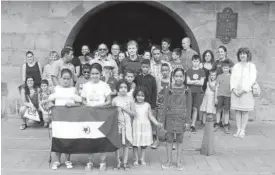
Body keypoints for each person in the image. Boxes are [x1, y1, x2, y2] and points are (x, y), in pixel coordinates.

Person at [44, 68, 82, 170]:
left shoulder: (74, 90)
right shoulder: (56, 89)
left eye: (68, 78)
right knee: (57, 139)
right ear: (60, 78)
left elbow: (80, 103)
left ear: (71, 79)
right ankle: (57, 160)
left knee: (68, 139)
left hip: (69, 119)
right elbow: (48, 101)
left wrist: (72, 104)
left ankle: (68, 160)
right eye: (64, 78)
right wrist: (50, 104)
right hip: (58, 119)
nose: (66, 81)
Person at [81, 63, 112, 171]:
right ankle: (90, 161)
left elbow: (109, 100)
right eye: (92, 73)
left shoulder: (104, 85)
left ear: (101, 73)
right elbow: (83, 99)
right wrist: (87, 105)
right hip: (89, 115)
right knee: (90, 138)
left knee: (101, 139)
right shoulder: (86, 85)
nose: (94, 76)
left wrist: (100, 105)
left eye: (97, 73)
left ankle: (102, 161)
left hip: (101, 115)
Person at [161, 68, 192, 171]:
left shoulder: (187, 90)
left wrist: (188, 121)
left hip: (181, 118)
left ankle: (178, 161)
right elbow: (164, 105)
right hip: (170, 117)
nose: (179, 78)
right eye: (176, 76)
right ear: (173, 77)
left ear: (184, 77)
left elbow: (189, 106)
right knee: (169, 140)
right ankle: (169, 161)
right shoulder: (169, 89)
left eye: (181, 76)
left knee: (179, 141)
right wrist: (162, 121)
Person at [231, 48, 257, 139]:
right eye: (241, 54)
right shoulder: (236, 66)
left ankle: (243, 130)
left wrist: (243, 90)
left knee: (245, 111)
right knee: (237, 111)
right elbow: (232, 78)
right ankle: (238, 129)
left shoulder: (251, 66)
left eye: (244, 54)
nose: (242, 55)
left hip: (246, 91)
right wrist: (233, 89)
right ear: (238, 55)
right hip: (236, 92)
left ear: (247, 55)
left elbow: (252, 79)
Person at [132, 87, 162, 166]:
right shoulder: (133, 104)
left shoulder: (147, 105)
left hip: (145, 126)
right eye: (138, 95)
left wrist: (156, 123)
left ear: (145, 97)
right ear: (135, 95)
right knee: (135, 143)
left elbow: (151, 116)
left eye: (142, 95)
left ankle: (142, 158)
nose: (140, 97)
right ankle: (136, 158)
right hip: (136, 126)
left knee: (143, 144)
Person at [112, 80, 136, 171]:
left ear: (128, 88)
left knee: (126, 144)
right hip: (117, 125)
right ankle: (118, 162)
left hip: (127, 125)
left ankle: (125, 163)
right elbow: (112, 114)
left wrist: (125, 109)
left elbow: (134, 113)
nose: (123, 89)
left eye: (125, 87)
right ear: (118, 89)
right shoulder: (115, 100)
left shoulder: (130, 99)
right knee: (117, 145)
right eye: (121, 87)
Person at [152, 63, 171, 149]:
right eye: (163, 70)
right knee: (159, 121)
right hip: (160, 104)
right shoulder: (158, 80)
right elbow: (156, 92)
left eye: (166, 70)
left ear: (169, 71)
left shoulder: (172, 81)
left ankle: (169, 139)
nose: (164, 72)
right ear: (160, 71)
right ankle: (157, 139)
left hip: (169, 105)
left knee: (169, 122)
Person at [186, 55, 206, 133]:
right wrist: (196, 81)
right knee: (188, 108)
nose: (195, 63)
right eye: (194, 61)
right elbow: (187, 82)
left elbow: (201, 83)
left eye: (197, 61)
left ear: (199, 62)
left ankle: (193, 125)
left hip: (197, 93)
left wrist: (192, 81)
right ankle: (187, 123)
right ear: (192, 62)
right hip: (189, 92)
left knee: (195, 108)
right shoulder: (189, 71)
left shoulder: (201, 71)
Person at [200, 71, 217, 157]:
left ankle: (211, 122)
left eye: (214, 75)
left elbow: (214, 89)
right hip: (207, 97)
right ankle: (204, 122)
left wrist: (210, 82)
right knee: (205, 110)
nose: (213, 76)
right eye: (211, 75)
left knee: (210, 110)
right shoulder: (207, 82)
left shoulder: (215, 83)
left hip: (212, 98)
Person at [215, 60, 232, 134]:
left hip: (228, 96)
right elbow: (216, 87)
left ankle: (226, 125)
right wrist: (215, 97)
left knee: (226, 111)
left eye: (227, 68)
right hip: (220, 95)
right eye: (224, 68)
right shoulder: (219, 76)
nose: (225, 69)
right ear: (222, 68)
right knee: (218, 110)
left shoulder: (232, 76)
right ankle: (217, 124)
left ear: (229, 68)